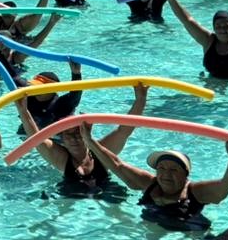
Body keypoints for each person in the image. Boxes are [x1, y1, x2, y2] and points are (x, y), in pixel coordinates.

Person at [81, 131, 228, 230]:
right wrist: (89, 140)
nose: (166, 174)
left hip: (190, 234)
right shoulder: (149, 183)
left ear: (185, 175)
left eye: (174, 170)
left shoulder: (195, 192)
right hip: (153, 228)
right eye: (162, 168)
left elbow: (226, 185)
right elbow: (117, 164)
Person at [16, 83, 146, 197]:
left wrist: (140, 99)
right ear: (62, 139)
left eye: (78, 133)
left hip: (104, 194)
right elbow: (36, 138)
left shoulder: (101, 153)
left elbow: (125, 130)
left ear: (86, 134)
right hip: (71, 199)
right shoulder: (61, 158)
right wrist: (23, 110)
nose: (73, 138)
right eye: (68, 135)